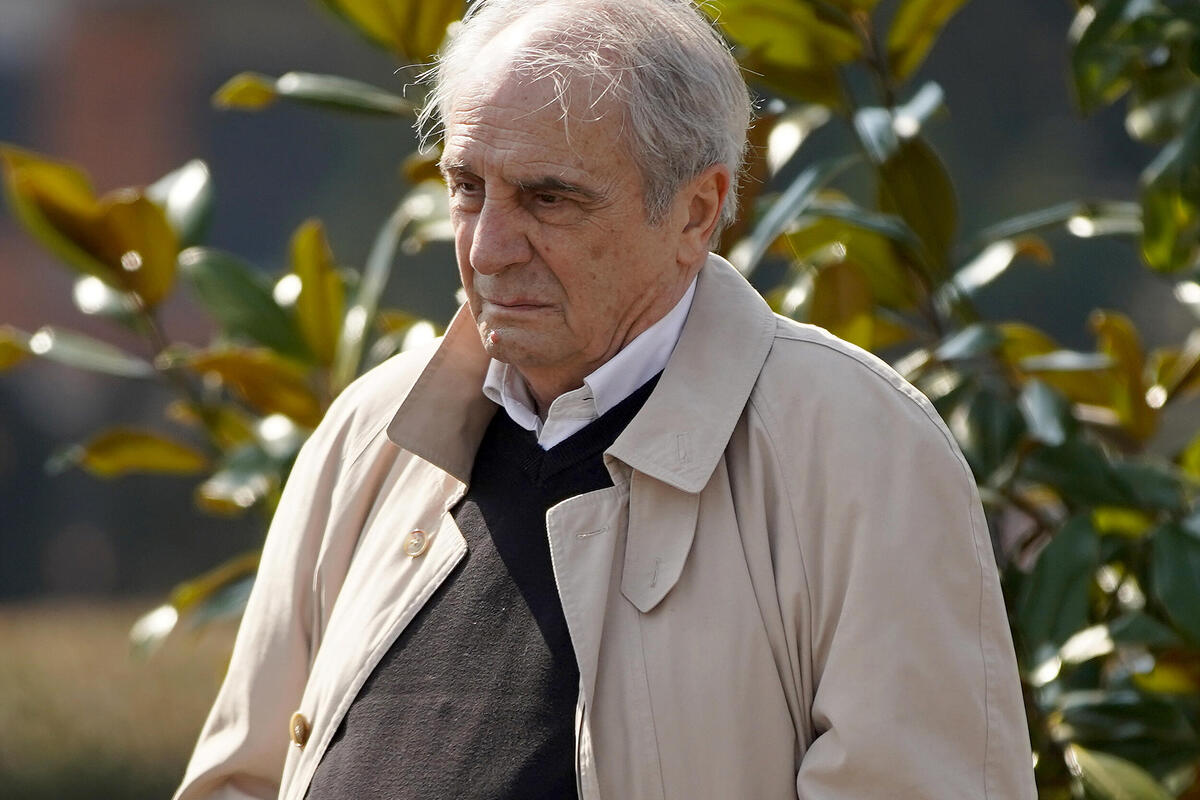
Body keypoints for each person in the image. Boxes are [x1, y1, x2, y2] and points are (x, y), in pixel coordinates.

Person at [175, 0, 1036, 797]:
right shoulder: (370, 431)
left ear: (697, 212)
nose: (487, 248)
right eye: (468, 187)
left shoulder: (862, 450)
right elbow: (242, 778)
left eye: (548, 198)